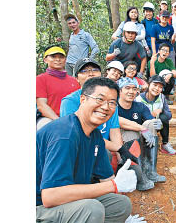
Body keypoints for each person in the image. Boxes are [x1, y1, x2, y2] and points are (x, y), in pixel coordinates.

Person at [36, 77, 139, 222]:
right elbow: (50, 196)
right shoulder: (65, 134)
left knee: (120, 205)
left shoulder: (95, 136)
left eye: (112, 103)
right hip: (39, 206)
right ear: (83, 99)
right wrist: (114, 185)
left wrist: (119, 184)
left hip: (66, 201)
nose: (105, 107)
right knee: (91, 209)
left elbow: (107, 179)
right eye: (99, 99)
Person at [60, 59, 149, 192]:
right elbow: (81, 136)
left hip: (107, 146)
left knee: (133, 167)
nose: (90, 74)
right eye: (84, 71)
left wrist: (121, 158)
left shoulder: (110, 101)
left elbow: (114, 130)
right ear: (76, 78)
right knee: (102, 152)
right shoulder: (70, 102)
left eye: (94, 70)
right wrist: (118, 148)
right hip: (83, 148)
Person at [117, 77, 165, 190]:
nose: (131, 92)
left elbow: (150, 121)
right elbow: (119, 122)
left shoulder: (140, 106)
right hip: (121, 140)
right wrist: (141, 128)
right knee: (131, 134)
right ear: (120, 91)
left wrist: (158, 124)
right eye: (127, 88)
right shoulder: (114, 106)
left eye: (134, 89)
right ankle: (140, 177)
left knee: (151, 123)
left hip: (140, 136)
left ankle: (150, 170)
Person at [36, 46, 80, 130]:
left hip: (73, 119)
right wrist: (59, 121)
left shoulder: (73, 81)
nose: (58, 59)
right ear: (45, 60)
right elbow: (41, 105)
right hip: (50, 119)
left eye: (61, 57)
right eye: (53, 57)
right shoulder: (40, 79)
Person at [136, 75, 175, 156]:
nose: (157, 89)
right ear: (149, 84)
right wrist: (150, 115)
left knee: (163, 117)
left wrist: (161, 111)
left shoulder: (161, 97)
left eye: (160, 87)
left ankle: (165, 144)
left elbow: (169, 115)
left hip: (157, 125)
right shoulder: (139, 99)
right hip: (142, 126)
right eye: (155, 85)